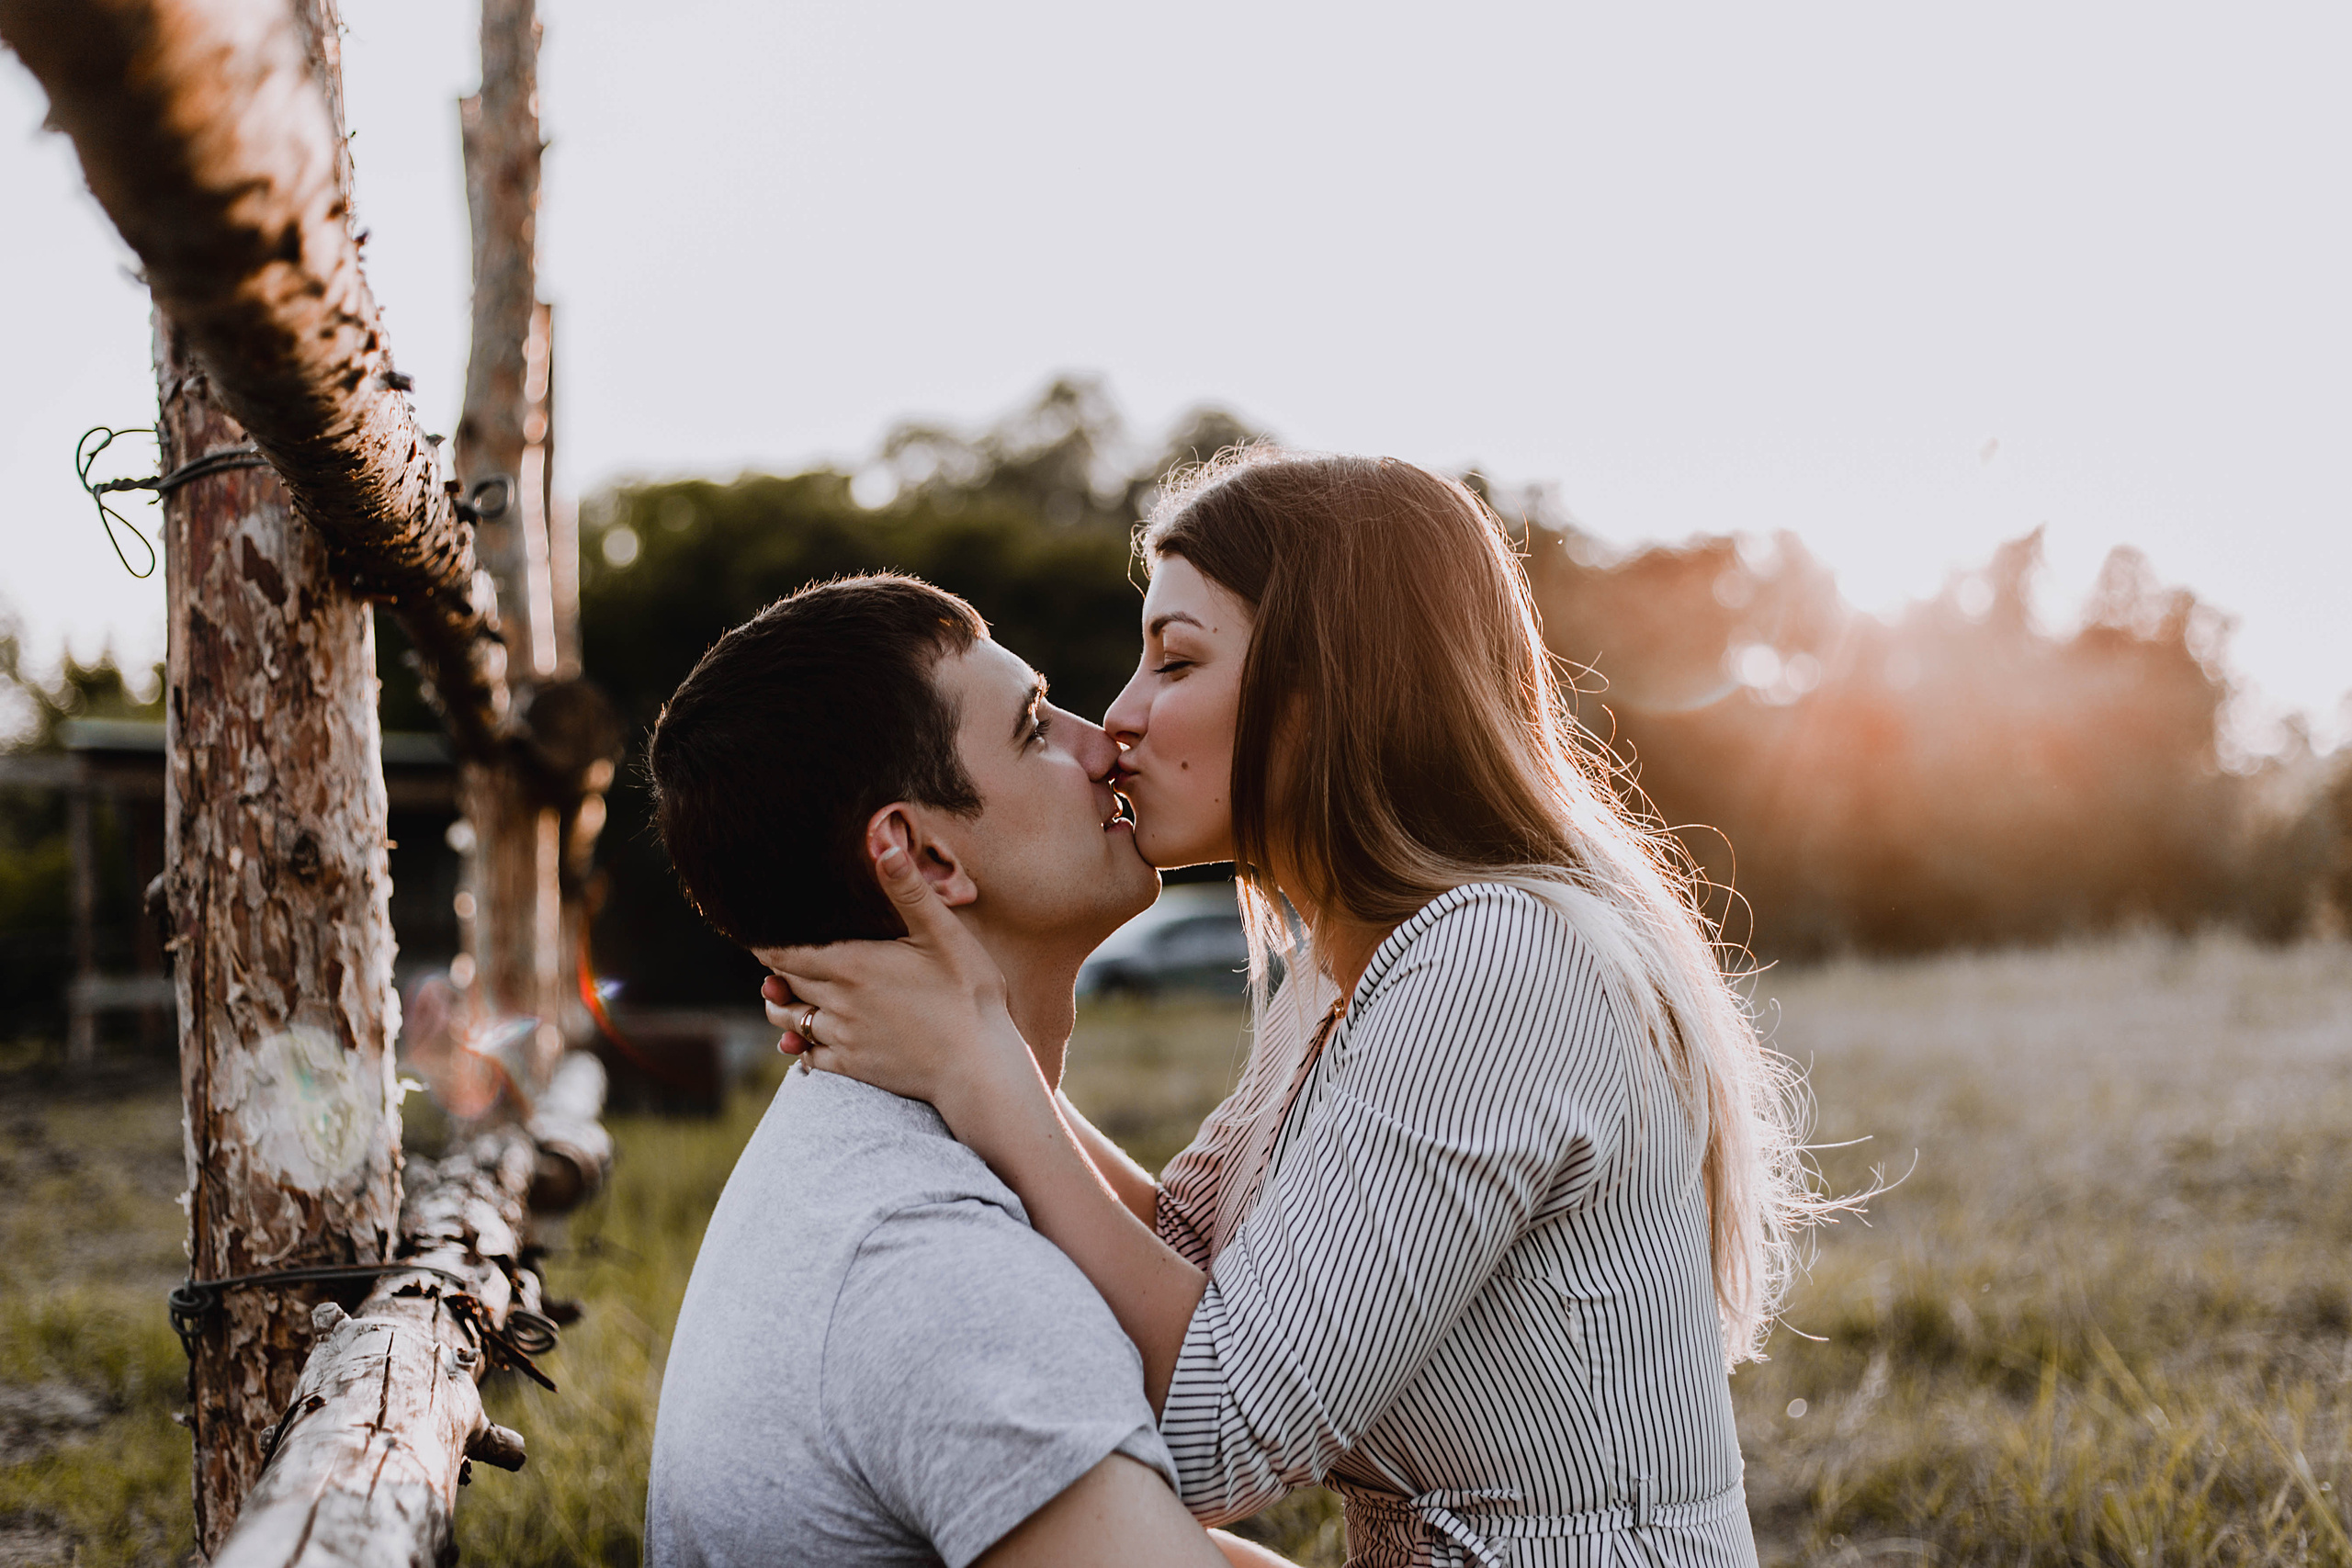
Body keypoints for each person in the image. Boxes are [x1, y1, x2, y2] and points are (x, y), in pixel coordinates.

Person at [761, 450, 1823, 1568]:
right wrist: (968, 1037)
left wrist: (979, 1067)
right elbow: (1184, 1253)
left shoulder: (1498, 963)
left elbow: (1220, 1438)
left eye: (1174, 661)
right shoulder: (1346, 956)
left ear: (1328, 692)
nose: (1117, 719)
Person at [639, 574, 1292, 1568]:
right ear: (924, 858)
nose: (1101, 742)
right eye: (1034, 727)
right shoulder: (931, 1266)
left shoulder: (866, 1143)